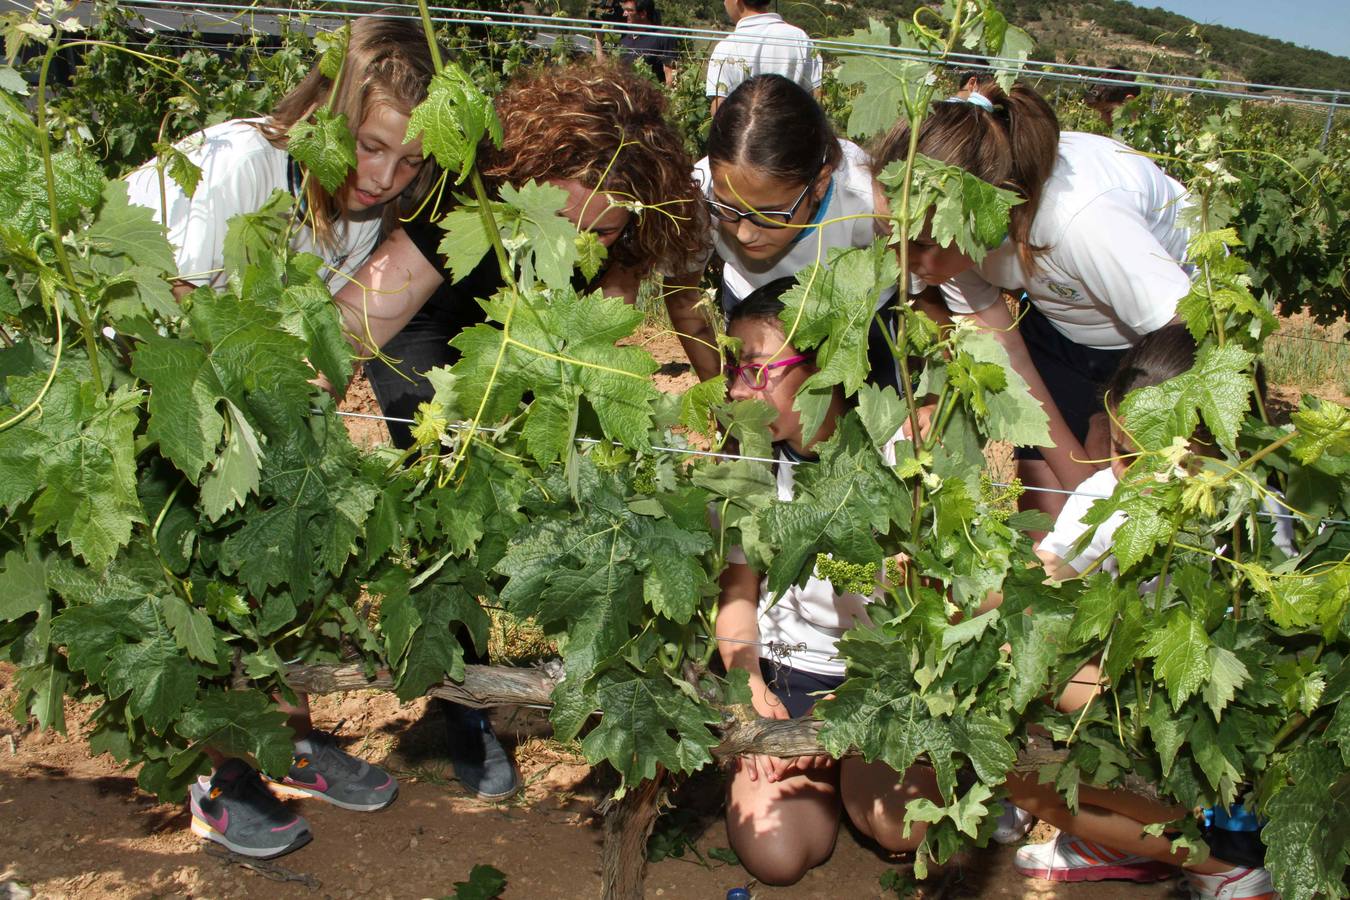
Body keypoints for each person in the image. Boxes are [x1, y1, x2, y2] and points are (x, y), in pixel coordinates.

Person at [330, 60, 707, 799]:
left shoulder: (623, 229)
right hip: (438, 331)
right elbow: (366, 312)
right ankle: (461, 705)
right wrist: (294, 369)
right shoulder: (467, 197)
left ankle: (585, 670)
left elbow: (603, 324)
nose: (585, 239)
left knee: (563, 486)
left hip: (535, 341)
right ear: (535, 174)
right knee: (455, 493)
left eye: (604, 228)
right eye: (569, 222)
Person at [123, 16, 436, 858]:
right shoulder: (239, 165)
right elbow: (168, 320)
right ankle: (216, 771)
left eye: (408, 162)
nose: (383, 176)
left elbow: (313, 350)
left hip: (237, 395)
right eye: (371, 147)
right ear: (327, 116)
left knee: (281, 536)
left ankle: (283, 733)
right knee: (186, 571)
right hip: (137, 380)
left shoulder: (365, 210)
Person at [1003, 325, 1286, 900]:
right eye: (1121, 448)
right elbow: (1048, 572)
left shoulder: (1247, 516)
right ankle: (1130, 838)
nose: (1129, 472)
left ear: (1222, 449)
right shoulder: (1104, 493)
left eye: (1157, 457)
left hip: (1208, 737)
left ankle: (1218, 862)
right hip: (1136, 709)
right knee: (1022, 660)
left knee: (1031, 777)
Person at [874, 80, 1191, 521]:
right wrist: (1083, 503)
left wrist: (1113, 413)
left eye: (922, 243)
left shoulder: (1082, 222)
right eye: (893, 235)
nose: (906, 260)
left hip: (1165, 342)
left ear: (990, 212)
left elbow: (1188, 338)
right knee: (1051, 513)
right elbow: (1008, 354)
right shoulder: (945, 231)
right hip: (1063, 321)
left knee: (1145, 499)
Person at [715, 278, 938, 885]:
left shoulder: (905, 462)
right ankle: (822, 779)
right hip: (787, 676)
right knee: (778, 857)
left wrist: (854, 705)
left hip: (880, 682)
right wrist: (747, 684)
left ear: (828, 370)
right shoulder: (752, 465)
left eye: (758, 370)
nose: (738, 388)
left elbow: (928, 617)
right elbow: (738, 598)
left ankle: (850, 774)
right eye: (735, 369)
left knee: (902, 828)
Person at [666, 74, 896, 386]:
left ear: (820, 184)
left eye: (770, 214)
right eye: (729, 209)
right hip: (752, 305)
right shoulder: (700, 191)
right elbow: (682, 297)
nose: (745, 233)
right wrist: (724, 399)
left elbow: (924, 295)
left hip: (858, 322)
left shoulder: (868, 203)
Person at [705, 0, 821, 116]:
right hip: (795, 129)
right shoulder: (799, 37)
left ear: (736, 1)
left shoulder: (725, 48)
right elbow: (817, 93)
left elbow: (719, 107)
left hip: (745, 132)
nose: (724, 3)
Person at [614, 0, 678, 87]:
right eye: (625, 10)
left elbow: (670, 75)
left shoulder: (663, 37)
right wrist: (598, 36)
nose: (624, 14)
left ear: (643, 14)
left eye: (629, 10)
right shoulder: (624, 38)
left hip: (650, 97)